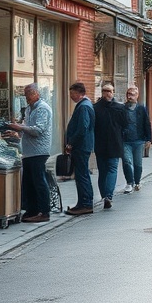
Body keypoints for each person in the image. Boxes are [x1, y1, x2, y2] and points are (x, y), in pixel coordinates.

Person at [5, 83, 52, 223]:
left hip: (39, 151)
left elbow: (38, 130)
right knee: (29, 183)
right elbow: (27, 127)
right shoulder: (29, 109)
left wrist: (19, 127)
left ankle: (44, 212)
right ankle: (32, 210)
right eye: (25, 95)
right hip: (28, 152)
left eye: (29, 95)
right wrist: (17, 131)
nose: (27, 98)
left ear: (36, 93)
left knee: (39, 182)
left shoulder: (42, 109)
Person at [63, 82, 95, 216]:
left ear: (80, 93)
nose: (71, 96)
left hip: (81, 146)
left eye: (72, 93)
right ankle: (84, 202)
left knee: (82, 175)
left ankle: (85, 203)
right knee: (82, 174)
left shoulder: (84, 107)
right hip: (82, 145)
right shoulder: (85, 105)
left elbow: (83, 128)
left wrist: (71, 143)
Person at [93, 82, 126, 209]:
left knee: (105, 170)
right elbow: (125, 124)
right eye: (107, 91)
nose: (108, 93)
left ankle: (106, 196)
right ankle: (108, 196)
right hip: (111, 143)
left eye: (109, 91)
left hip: (104, 143)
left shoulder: (95, 107)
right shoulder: (118, 107)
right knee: (109, 170)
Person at [121, 85, 152, 193]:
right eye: (128, 94)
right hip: (125, 141)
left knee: (138, 163)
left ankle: (137, 182)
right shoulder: (122, 108)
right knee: (126, 161)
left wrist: (149, 139)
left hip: (139, 140)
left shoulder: (141, 108)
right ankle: (129, 182)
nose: (130, 97)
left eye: (132, 94)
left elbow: (147, 124)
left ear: (137, 96)